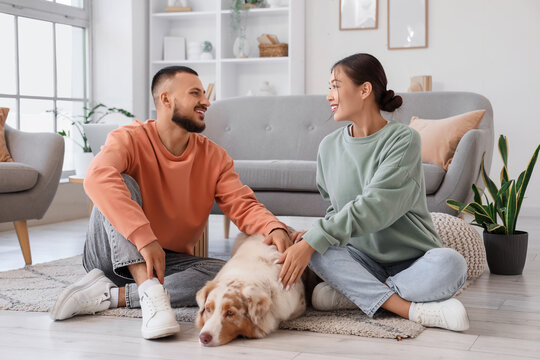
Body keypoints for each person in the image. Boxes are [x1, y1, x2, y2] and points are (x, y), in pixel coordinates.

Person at [50, 66, 292, 339]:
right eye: (195, 93)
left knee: (220, 275)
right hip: (110, 254)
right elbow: (96, 177)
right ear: (166, 100)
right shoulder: (129, 138)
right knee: (121, 180)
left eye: (204, 93)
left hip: (168, 261)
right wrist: (144, 238)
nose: (206, 101)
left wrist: (273, 227)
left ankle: (110, 296)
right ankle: (152, 296)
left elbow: (242, 204)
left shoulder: (214, 157)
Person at [277, 53, 470, 331]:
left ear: (364, 89)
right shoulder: (328, 147)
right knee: (318, 248)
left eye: (335, 85)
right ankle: (409, 309)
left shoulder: (403, 139)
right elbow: (335, 209)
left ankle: (355, 296)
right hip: (360, 259)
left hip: (413, 262)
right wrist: (310, 241)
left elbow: (376, 205)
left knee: (452, 264)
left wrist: (314, 241)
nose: (329, 95)